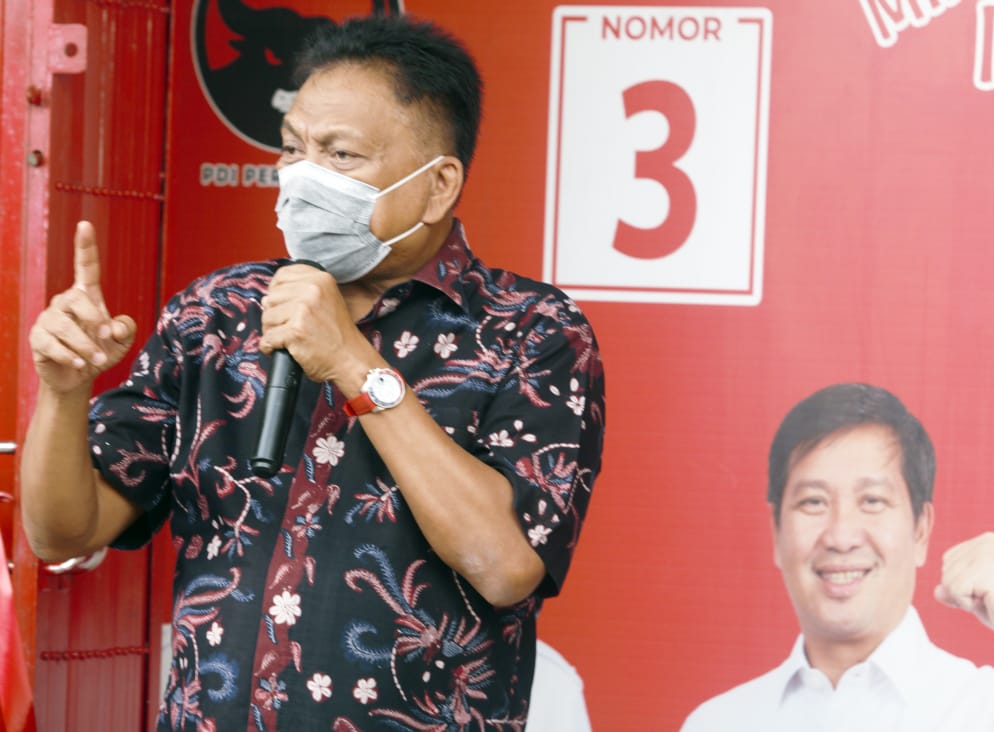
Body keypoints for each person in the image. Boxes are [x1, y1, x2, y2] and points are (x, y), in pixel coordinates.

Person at [21, 14, 605, 731]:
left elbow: (505, 565)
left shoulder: (532, 331)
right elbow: (62, 533)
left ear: (437, 185)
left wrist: (352, 362)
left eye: (341, 154)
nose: (303, 178)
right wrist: (63, 393)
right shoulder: (218, 311)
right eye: (294, 148)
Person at [681, 383, 994, 732]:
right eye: (813, 502)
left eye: (872, 501)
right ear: (777, 533)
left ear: (921, 529)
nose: (841, 536)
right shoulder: (717, 723)